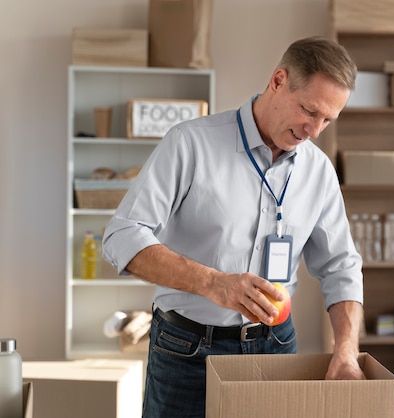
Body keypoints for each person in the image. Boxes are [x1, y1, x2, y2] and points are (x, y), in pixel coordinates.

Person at [102, 36, 364, 418]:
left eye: (327, 119)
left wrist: (346, 349)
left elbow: (341, 266)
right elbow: (121, 236)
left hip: (275, 346)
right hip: (187, 349)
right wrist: (213, 283)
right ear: (278, 81)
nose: (315, 131)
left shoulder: (319, 170)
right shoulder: (191, 143)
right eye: (309, 110)